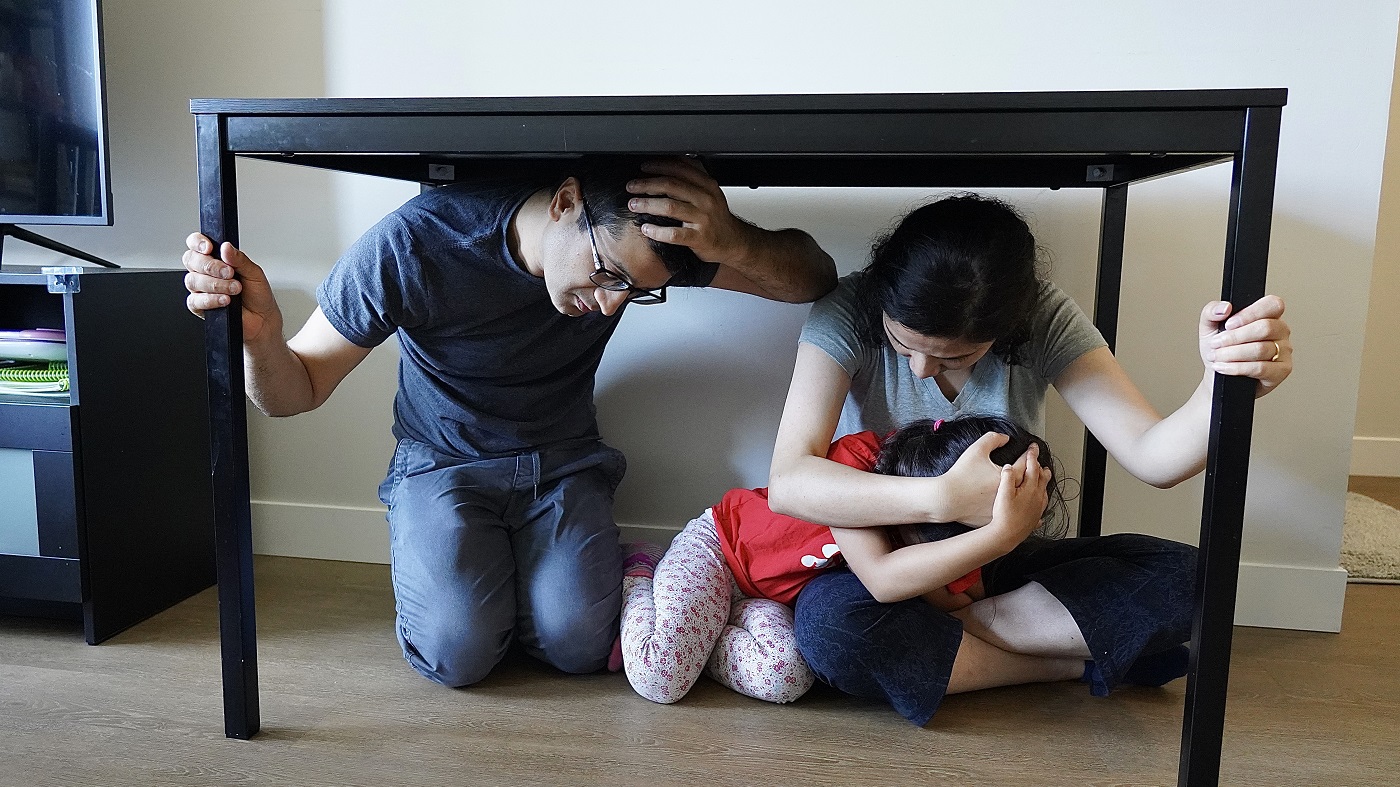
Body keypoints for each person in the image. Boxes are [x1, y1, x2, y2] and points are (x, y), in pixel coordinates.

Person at [180, 156, 836, 688]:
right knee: (458, 655)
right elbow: (294, 391)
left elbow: (809, 279)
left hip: (563, 460)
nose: (611, 306)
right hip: (444, 461)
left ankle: (591, 578)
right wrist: (260, 342)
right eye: (607, 275)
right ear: (564, 201)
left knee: (579, 647)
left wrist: (735, 240)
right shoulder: (414, 242)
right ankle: (486, 581)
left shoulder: (646, 245)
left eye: (634, 293)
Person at [766, 193, 1293, 725]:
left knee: (1196, 579)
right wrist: (942, 498)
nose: (922, 369)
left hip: (1001, 557)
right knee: (833, 626)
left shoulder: (1041, 316)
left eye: (956, 355)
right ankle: (1072, 664)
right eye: (903, 347)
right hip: (893, 555)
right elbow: (790, 481)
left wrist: (1221, 385)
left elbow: (1153, 458)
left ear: (1006, 328)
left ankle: (968, 632)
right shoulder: (852, 309)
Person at [618, 414, 1049, 706]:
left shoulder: (964, 535)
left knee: (787, 677)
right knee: (662, 677)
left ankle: (701, 632)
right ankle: (640, 570)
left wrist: (997, 538)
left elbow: (961, 608)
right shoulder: (858, 465)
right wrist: (998, 539)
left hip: (762, 602)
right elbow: (884, 581)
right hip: (718, 551)